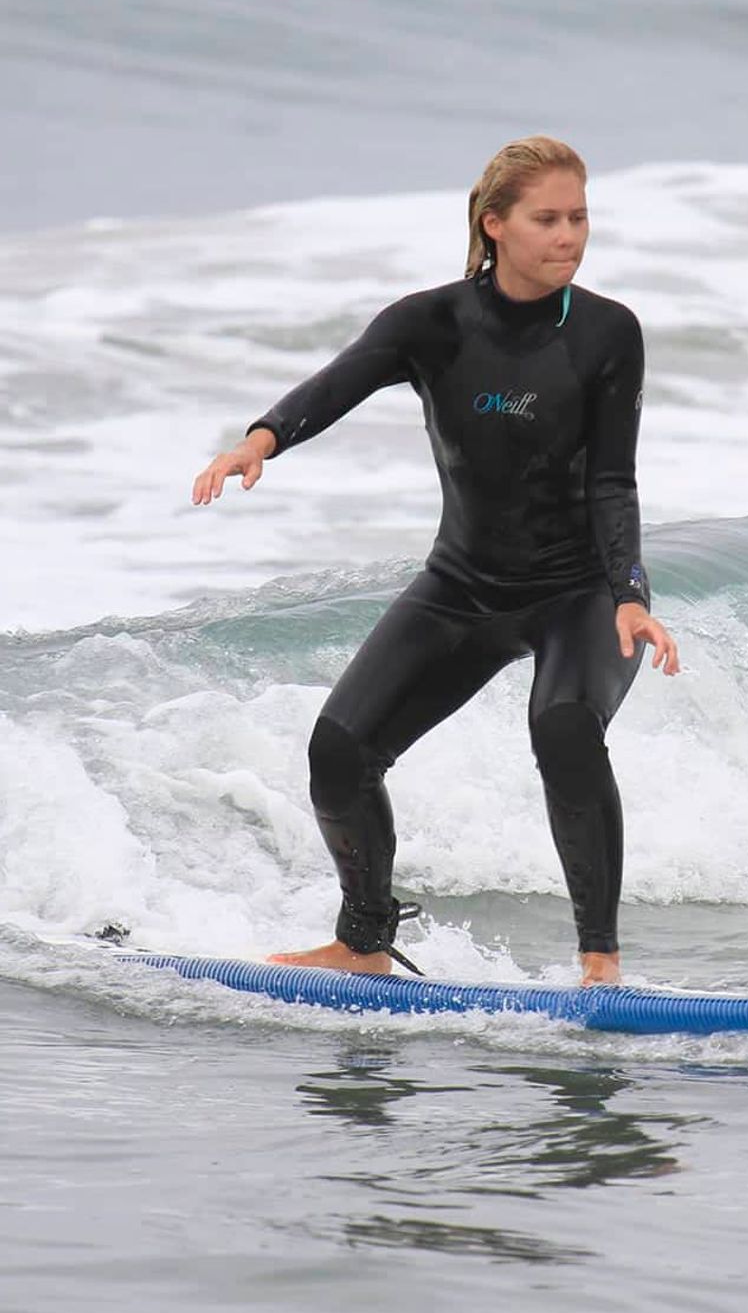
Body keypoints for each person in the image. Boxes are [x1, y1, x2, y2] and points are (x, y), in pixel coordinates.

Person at [192, 135, 678, 986]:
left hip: (578, 593)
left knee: (562, 727)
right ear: (495, 224)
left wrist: (628, 594)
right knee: (340, 752)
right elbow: (338, 383)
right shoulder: (432, 322)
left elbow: (612, 480)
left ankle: (599, 962)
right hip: (463, 586)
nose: (569, 236)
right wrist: (260, 438)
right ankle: (364, 941)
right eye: (547, 219)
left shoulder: (608, 333)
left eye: (579, 217)